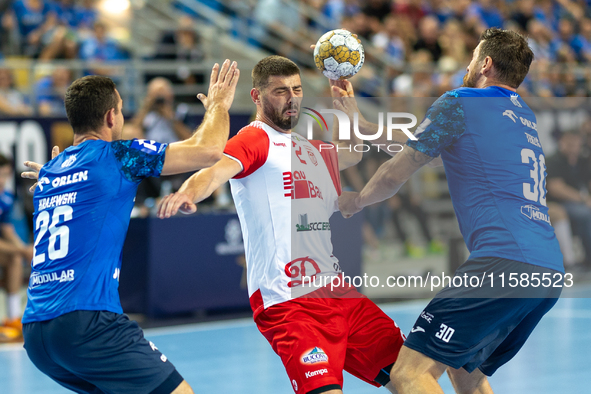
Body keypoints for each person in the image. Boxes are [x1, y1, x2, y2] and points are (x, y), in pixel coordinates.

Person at [157, 55, 405, 394]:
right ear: (257, 97)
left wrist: (347, 110)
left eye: (297, 89)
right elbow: (214, 169)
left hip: (335, 290)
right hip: (289, 300)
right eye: (280, 91)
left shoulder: (304, 146)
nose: (292, 98)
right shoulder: (255, 139)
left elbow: (351, 154)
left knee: (410, 373)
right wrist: (188, 193)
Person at [339, 28, 564, 394]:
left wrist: (357, 200)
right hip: (546, 270)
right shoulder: (521, 116)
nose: (469, 62)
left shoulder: (460, 101)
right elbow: (431, 138)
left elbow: (397, 172)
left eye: (473, 55)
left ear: (485, 63)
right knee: (465, 372)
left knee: (409, 373)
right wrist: (363, 128)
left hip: (502, 261)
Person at [20, 59, 239, 394]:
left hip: (36, 331)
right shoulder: (119, 155)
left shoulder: (53, 171)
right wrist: (220, 106)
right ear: (111, 117)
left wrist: (52, 176)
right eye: (121, 110)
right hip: (87, 320)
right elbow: (208, 150)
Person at [0, 154, 33, 342]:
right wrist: (23, 250)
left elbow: (7, 231)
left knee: (13, 259)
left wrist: (23, 249)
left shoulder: (5, 198)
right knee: (16, 254)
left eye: (5, 175)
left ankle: (12, 319)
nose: (2, 180)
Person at [546, 131, 591, 267]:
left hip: (579, 202)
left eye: (576, 144)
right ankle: (571, 262)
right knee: (585, 213)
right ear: (562, 143)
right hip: (556, 203)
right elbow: (556, 188)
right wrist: (584, 198)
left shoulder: (583, 161)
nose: (573, 147)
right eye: (569, 143)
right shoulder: (552, 160)